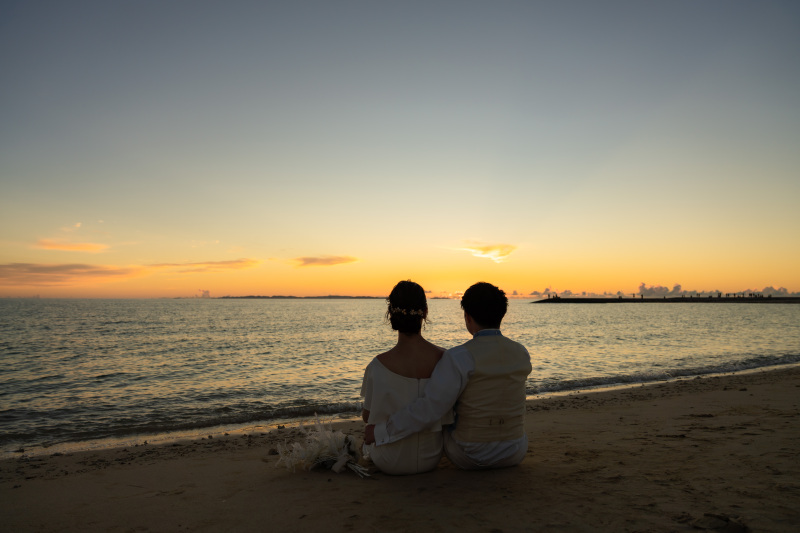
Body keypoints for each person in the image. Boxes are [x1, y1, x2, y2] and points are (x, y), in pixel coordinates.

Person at [365, 282, 532, 470]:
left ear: (467, 316)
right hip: (515, 451)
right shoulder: (521, 352)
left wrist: (380, 432)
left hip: (470, 454)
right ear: (502, 314)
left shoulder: (460, 357)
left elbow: (430, 409)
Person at [360, 280, 453, 475]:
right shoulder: (446, 360)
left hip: (388, 460)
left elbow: (367, 416)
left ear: (390, 314)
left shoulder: (377, 366)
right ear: (425, 312)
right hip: (432, 456)